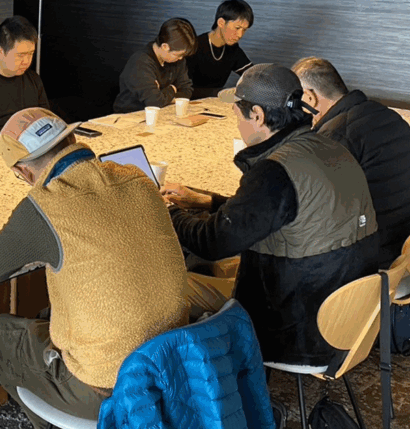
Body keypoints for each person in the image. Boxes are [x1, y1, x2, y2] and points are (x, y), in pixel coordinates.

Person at [0, 107, 189, 429]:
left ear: (23, 171)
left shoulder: (44, 205)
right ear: (73, 139)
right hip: (172, 362)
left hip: (108, 385)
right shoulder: (136, 176)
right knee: (53, 311)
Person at [162, 64, 378, 367]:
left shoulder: (274, 171)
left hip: (296, 330)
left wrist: (168, 212)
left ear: (258, 115)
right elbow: (277, 210)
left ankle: (193, 376)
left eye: (238, 115)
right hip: (349, 316)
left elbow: (213, 242)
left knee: (170, 289)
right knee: (226, 265)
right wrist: (207, 201)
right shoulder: (328, 147)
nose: (237, 124)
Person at [292, 56, 410, 268]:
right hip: (409, 238)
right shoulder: (388, 115)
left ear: (309, 97)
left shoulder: (335, 136)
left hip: (371, 254)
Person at [113, 17, 197, 112]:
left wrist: (161, 95)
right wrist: (172, 89)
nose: (181, 58)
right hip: (130, 114)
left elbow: (186, 91)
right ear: (165, 46)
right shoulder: (141, 62)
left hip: (163, 113)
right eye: (178, 55)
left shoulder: (178, 60)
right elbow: (154, 102)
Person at [186, 0, 255, 99]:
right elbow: (184, 89)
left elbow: (252, 74)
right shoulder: (195, 47)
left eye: (244, 30)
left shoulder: (232, 48)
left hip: (215, 102)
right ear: (221, 22)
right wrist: (221, 92)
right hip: (189, 103)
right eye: (237, 28)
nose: (240, 35)